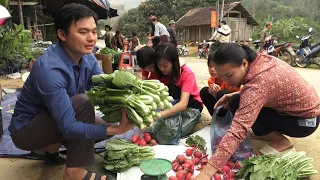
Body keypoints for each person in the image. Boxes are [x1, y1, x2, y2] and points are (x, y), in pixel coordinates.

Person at [8, 3, 135, 180]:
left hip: (54, 118)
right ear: (62, 34)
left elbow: (102, 88)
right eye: (83, 32)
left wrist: (133, 100)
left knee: (99, 122)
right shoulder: (50, 69)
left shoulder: (87, 56)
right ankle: (74, 173)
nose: (91, 38)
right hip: (26, 131)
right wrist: (117, 130)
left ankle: (50, 149)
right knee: (84, 104)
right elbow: (68, 126)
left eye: (93, 31)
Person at [194, 43, 320, 180]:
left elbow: (238, 130)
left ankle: (279, 141)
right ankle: (271, 133)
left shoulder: (258, 84)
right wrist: (231, 94)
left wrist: (206, 173)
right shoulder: (261, 61)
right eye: (222, 76)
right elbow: (266, 89)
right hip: (296, 113)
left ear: (244, 64)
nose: (226, 81)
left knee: (238, 103)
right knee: (236, 99)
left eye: (229, 75)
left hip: (304, 123)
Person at [154, 44, 203, 119]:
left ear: (174, 62)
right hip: (176, 101)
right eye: (159, 65)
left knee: (171, 88)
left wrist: (160, 115)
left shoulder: (187, 73)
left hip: (192, 104)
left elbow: (183, 104)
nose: (161, 68)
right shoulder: (161, 73)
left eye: (165, 65)